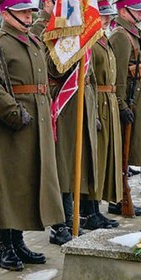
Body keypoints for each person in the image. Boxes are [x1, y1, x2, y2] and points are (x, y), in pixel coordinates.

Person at [0, 0, 65, 270]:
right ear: (6, 13)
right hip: (15, 122)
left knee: (27, 182)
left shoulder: (32, 40)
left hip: (37, 119)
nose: (29, 16)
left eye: (30, 11)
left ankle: (17, 241)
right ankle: (4, 245)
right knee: (11, 184)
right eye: (22, 11)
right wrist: (11, 111)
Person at [47, 20, 99, 243]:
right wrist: (72, 42)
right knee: (63, 167)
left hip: (80, 103)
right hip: (64, 106)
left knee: (73, 167)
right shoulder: (52, 35)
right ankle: (60, 224)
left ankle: (72, 219)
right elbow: (54, 68)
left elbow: (92, 79)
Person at [108, 0, 141, 216]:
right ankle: (117, 199)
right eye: (135, 10)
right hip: (126, 100)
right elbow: (116, 74)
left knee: (127, 155)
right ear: (123, 11)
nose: (140, 13)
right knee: (121, 155)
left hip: (135, 99)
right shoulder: (120, 35)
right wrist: (120, 104)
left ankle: (122, 196)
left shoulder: (133, 33)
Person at [87, 0, 122, 228]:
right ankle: (89, 211)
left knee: (106, 157)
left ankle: (96, 207)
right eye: (103, 14)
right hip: (97, 100)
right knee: (95, 159)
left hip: (108, 100)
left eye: (108, 15)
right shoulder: (89, 40)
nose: (107, 18)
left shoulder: (103, 39)